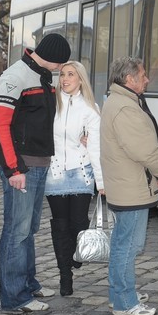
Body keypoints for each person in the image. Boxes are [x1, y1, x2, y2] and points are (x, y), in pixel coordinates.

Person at [0, 33, 71, 313]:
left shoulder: (43, 76)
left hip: (38, 164)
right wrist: (14, 169)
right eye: (61, 63)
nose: (62, 68)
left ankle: (28, 284)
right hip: (22, 166)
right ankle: (15, 298)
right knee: (17, 231)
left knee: (28, 230)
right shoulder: (16, 76)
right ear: (53, 57)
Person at [101, 57, 158, 315]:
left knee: (124, 243)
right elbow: (145, 151)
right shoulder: (126, 108)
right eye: (143, 75)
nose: (147, 79)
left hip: (127, 185)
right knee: (128, 246)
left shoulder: (119, 101)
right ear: (129, 79)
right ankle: (125, 302)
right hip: (131, 188)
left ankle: (118, 294)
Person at [45, 61, 104, 297]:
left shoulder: (90, 108)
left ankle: (76, 255)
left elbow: (97, 147)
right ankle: (64, 276)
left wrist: (102, 182)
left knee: (79, 223)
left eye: (71, 74)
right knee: (60, 225)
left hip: (81, 172)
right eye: (62, 75)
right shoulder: (52, 104)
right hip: (56, 173)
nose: (65, 79)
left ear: (81, 79)